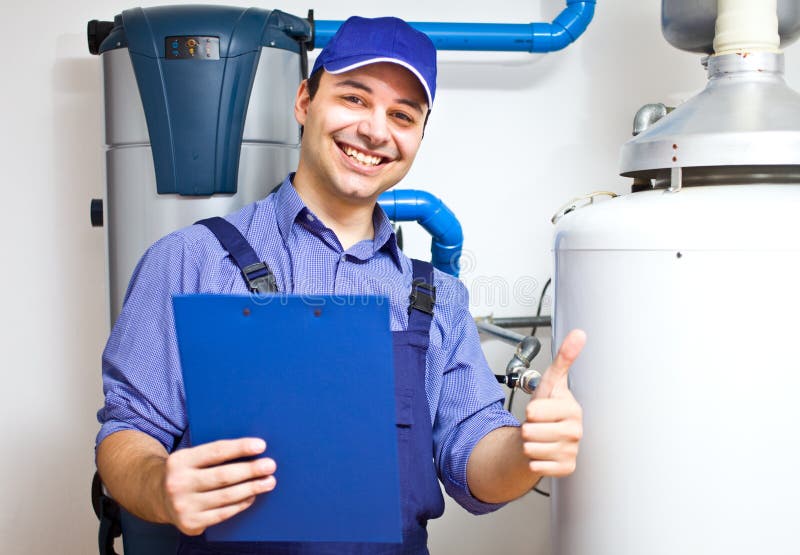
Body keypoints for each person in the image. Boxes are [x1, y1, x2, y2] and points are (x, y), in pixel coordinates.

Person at [96, 15, 586, 555]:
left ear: (419, 136)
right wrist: (157, 488)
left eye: (402, 115)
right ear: (305, 101)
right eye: (354, 98)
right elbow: (127, 433)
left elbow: (473, 458)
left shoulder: (438, 299)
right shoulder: (189, 261)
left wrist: (526, 449)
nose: (376, 131)